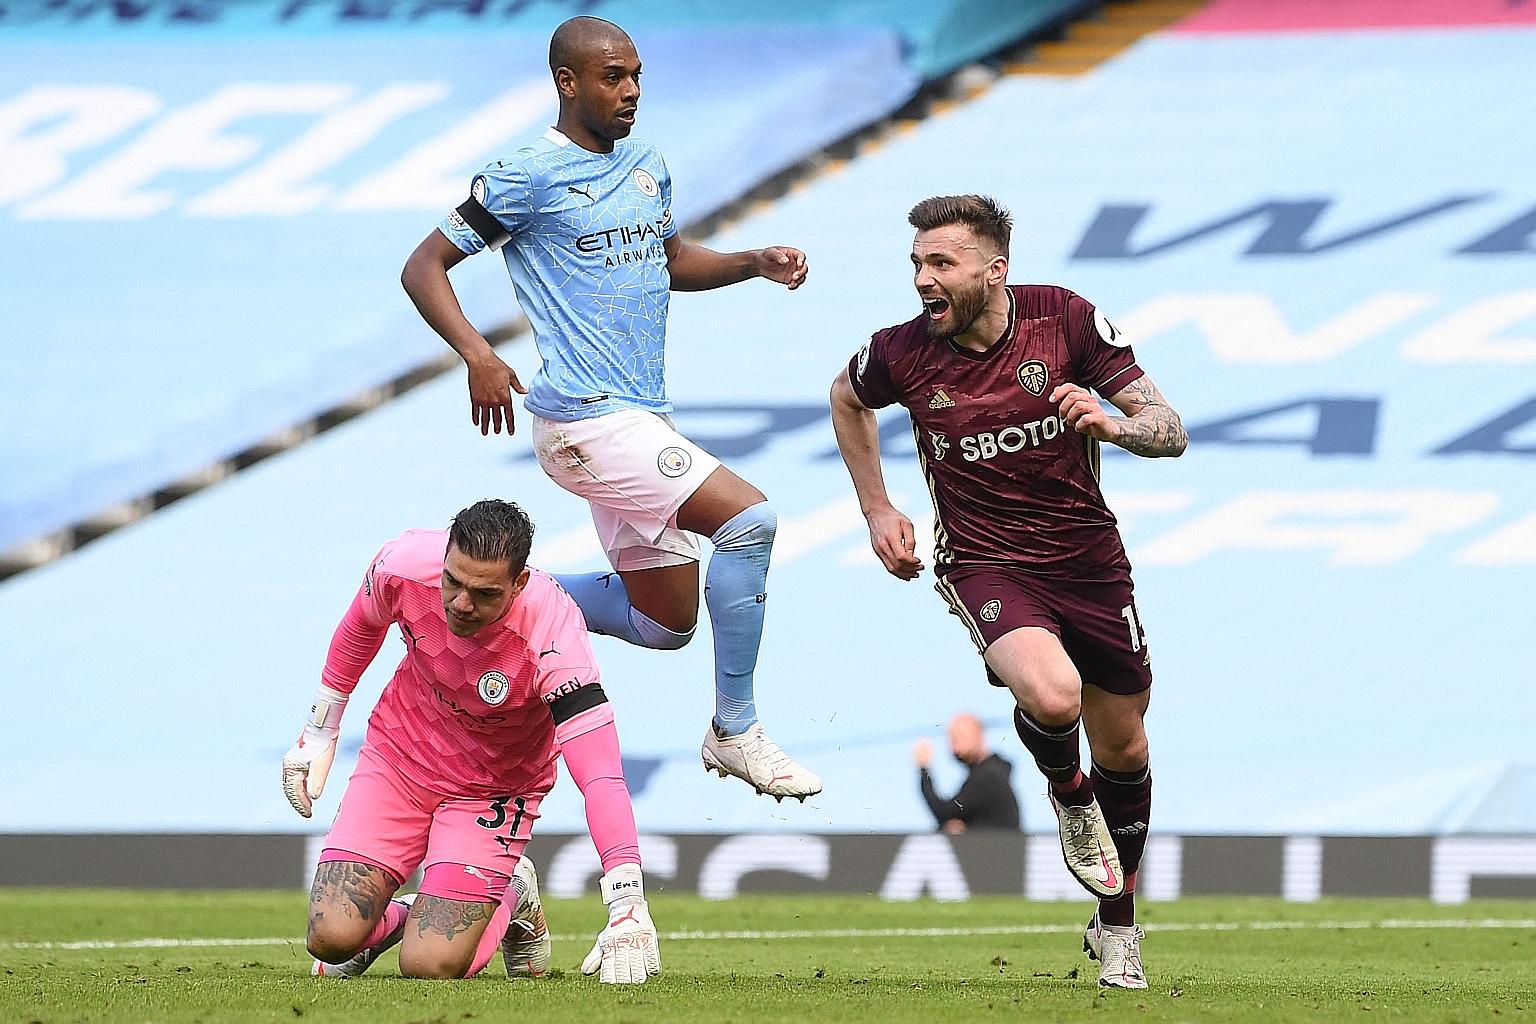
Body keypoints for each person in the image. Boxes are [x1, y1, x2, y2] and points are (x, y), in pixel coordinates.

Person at [400, 15, 820, 802]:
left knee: (665, 624)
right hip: (584, 419)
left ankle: (484, 591)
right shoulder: (525, 175)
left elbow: (670, 261)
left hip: (639, 418)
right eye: (612, 78)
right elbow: (424, 265)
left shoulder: (647, 164)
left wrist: (750, 263)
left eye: (636, 78)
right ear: (568, 82)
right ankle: (737, 728)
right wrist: (479, 355)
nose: (629, 93)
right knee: (750, 521)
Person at [829, 195, 1187, 990]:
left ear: (996, 271)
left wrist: (1116, 427)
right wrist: (878, 508)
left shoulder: (1065, 321)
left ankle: (1117, 924)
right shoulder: (900, 353)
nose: (924, 278)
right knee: (1054, 698)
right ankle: (1067, 792)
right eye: (918, 263)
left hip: (1091, 563)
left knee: (1125, 745)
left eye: (941, 263)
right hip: (986, 562)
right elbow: (846, 398)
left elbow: (1170, 427)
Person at [280, 499, 661, 985]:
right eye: (453, 582)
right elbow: (361, 626)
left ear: (519, 583)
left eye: (484, 593)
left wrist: (627, 901)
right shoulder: (402, 563)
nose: (461, 604)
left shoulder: (554, 633)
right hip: (400, 756)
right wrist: (319, 729)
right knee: (330, 938)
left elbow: (602, 776)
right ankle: (415, 914)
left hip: (493, 789)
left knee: (429, 966)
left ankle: (508, 894)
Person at [914, 713, 1021, 833]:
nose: (955, 745)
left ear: (978, 734)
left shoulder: (988, 776)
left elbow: (945, 812)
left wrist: (924, 769)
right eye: (952, 738)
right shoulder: (990, 773)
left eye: (961, 736)